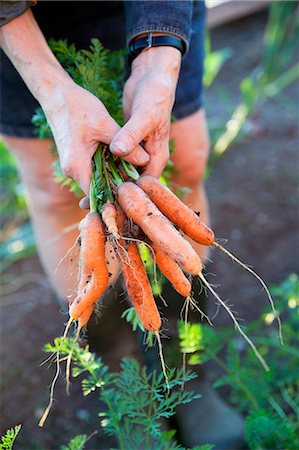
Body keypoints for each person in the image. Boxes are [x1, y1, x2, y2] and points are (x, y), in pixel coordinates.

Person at [0, 1, 244, 448]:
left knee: (183, 159)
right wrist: (54, 92)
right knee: (56, 191)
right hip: (18, 29)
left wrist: (158, 58)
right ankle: (123, 380)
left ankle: (187, 373)